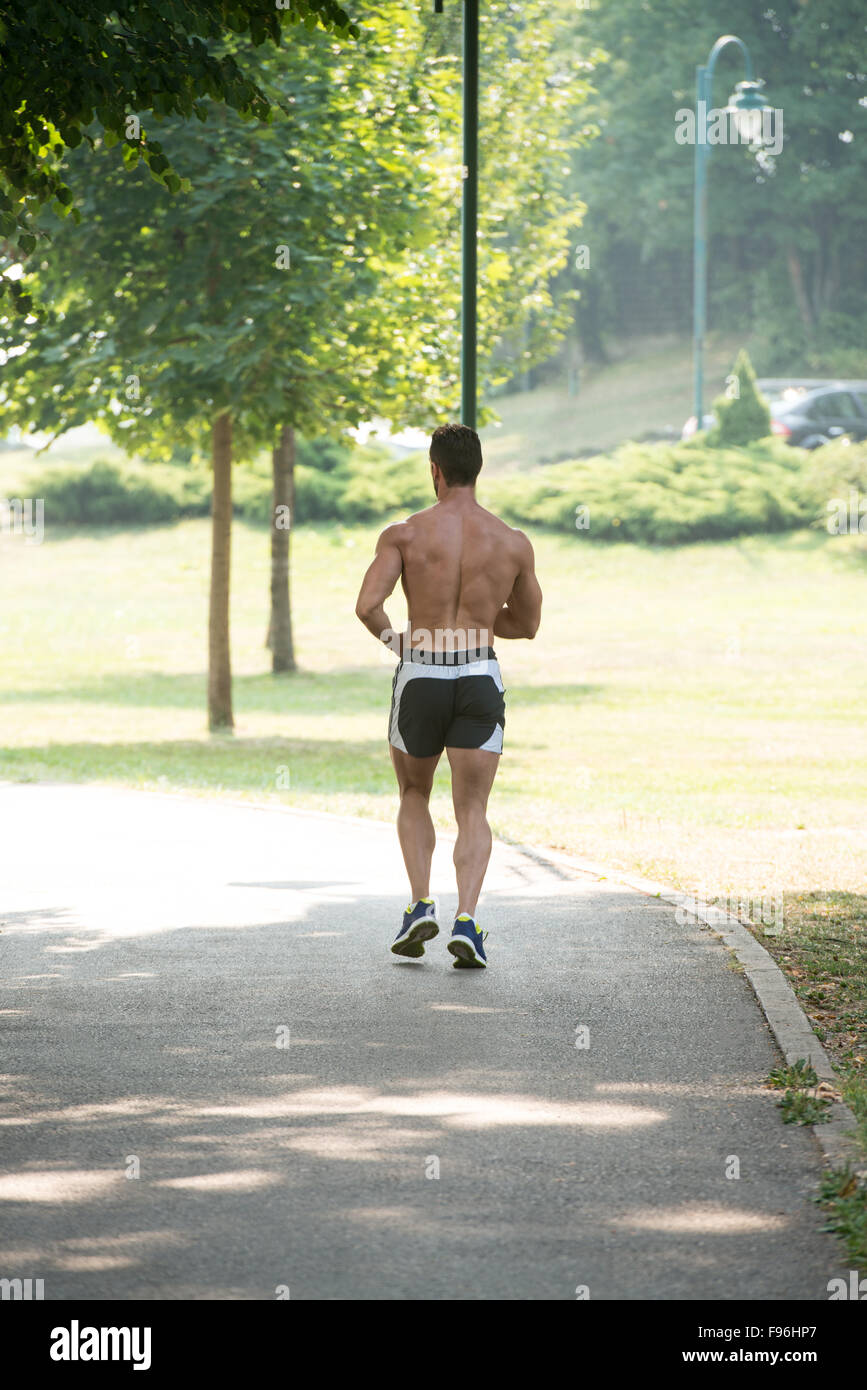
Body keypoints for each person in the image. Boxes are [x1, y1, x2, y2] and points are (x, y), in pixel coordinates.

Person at [354, 422, 542, 968]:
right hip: (479, 675)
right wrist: (479, 624)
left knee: (415, 795)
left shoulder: (405, 534)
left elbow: (368, 605)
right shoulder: (511, 541)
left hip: (422, 675)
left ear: (434, 470)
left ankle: (419, 908)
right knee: (473, 807)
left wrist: (401, 641)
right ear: (477, 471)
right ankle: (467, 920)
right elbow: (526, 624)